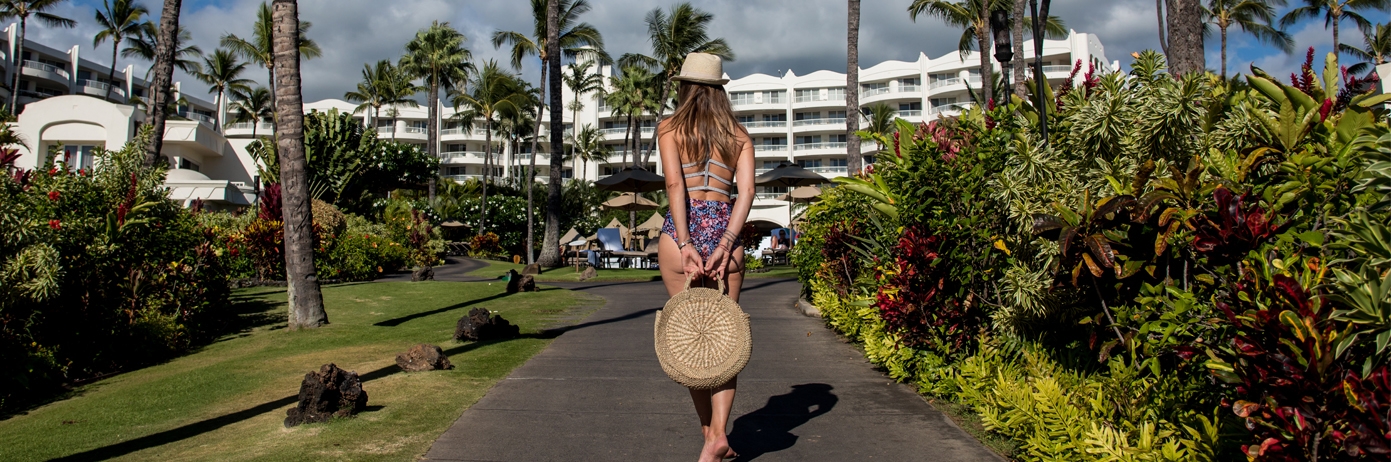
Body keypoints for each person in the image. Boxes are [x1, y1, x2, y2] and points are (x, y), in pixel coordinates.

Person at [657, 52, 755, 462]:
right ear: (720, 89)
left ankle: (713, 437)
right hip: (725, 234)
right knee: (724, 342)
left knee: (691, 341)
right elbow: (746, 193)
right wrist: (724, 243)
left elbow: (675, 186)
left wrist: (686, 243)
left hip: (682, 233)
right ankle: (716, 435)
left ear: (684, 86)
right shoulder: (738, 134)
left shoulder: (670, 127)